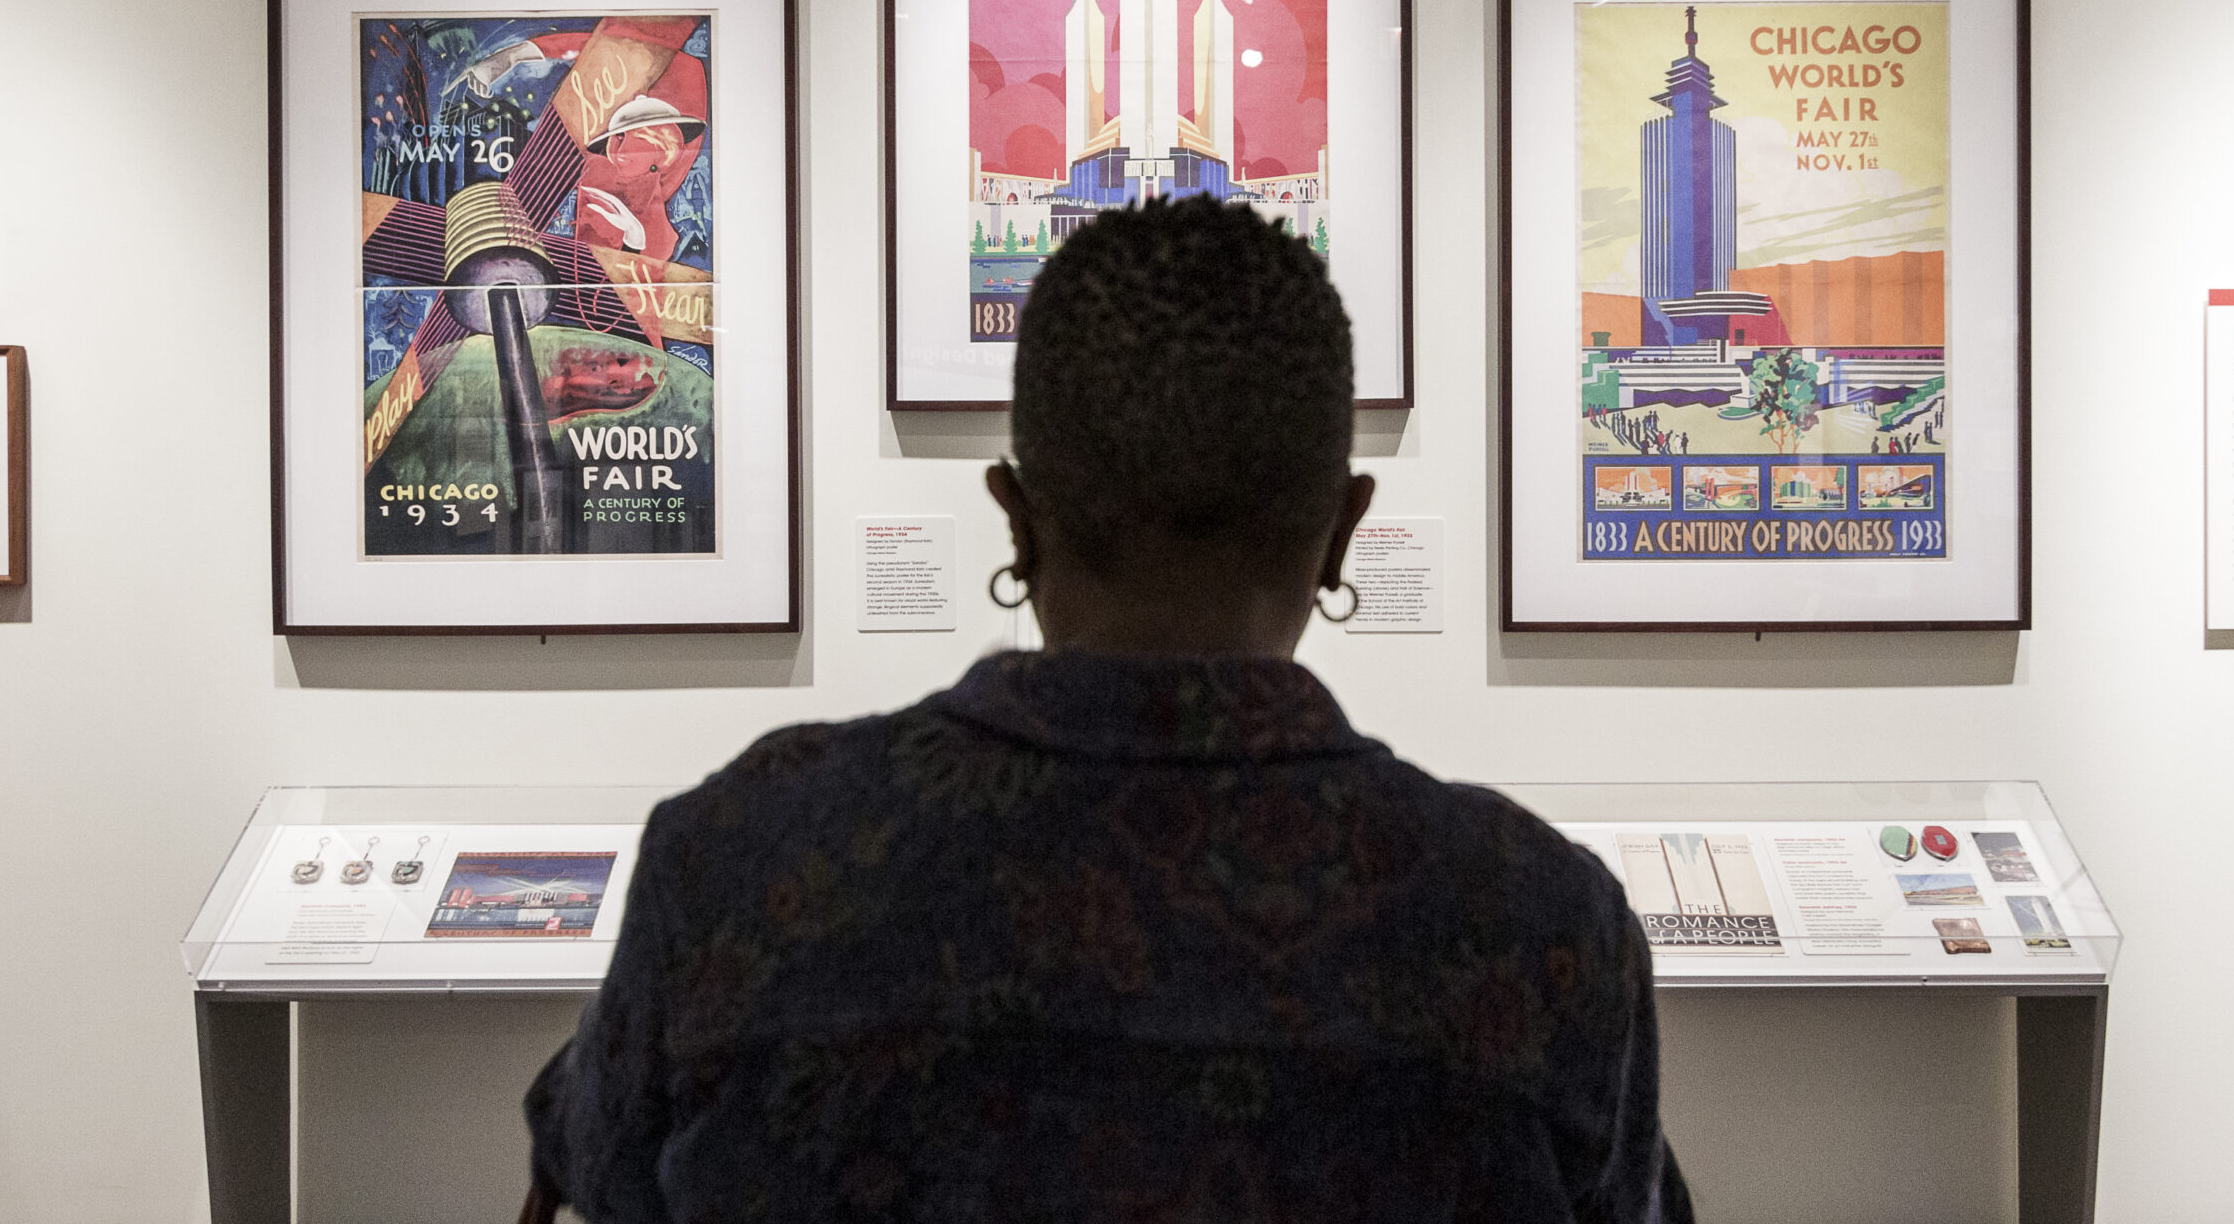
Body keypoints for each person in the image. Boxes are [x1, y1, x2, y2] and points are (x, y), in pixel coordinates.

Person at [524, 196, 1692, 1222]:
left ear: (1016, 518)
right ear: (1342, 530)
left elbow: (598, 1155)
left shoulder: (737, 861)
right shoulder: (1538, 926)